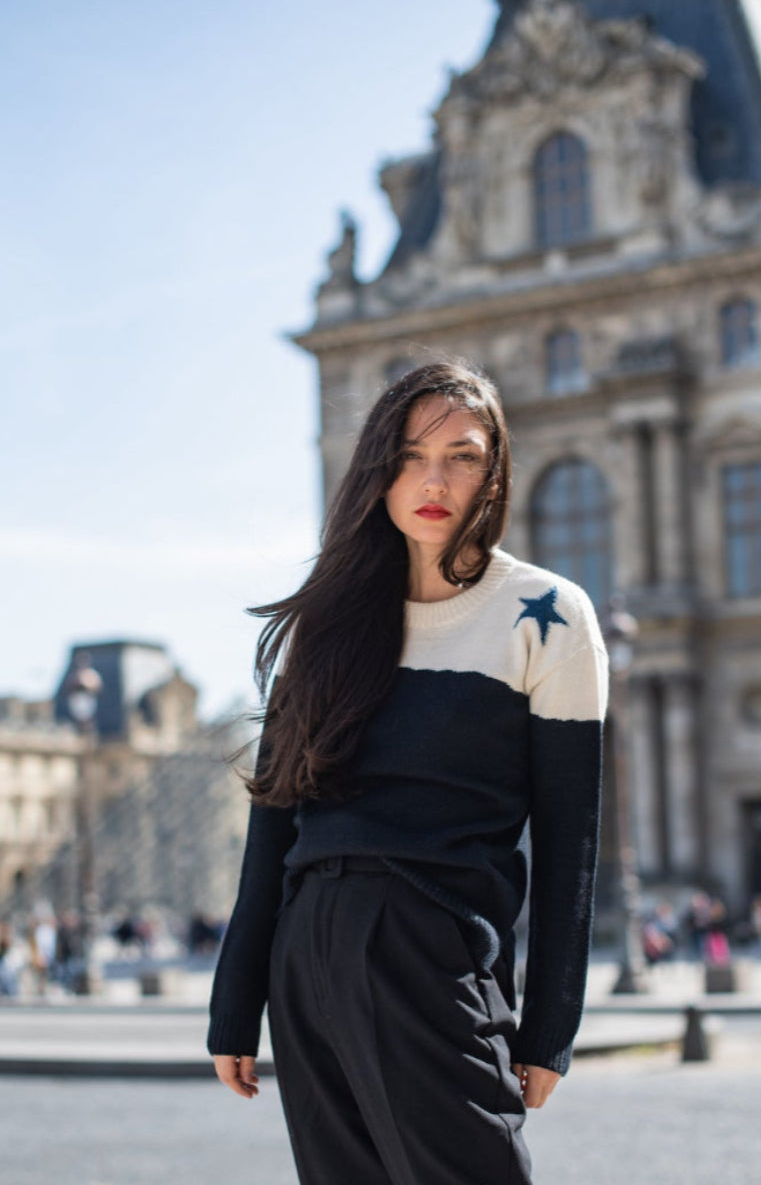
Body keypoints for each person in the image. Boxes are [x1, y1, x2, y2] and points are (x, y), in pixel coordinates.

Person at [207, 361, 608, 1185]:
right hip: (308, 944)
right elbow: (274, 825)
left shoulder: (548, 613)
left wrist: (550, 1027)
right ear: (376, 472)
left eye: (462, 456)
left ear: (494, 472)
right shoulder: (328, 621)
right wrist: (234, 1003)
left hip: (426, 939)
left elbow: (572, 843)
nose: (435, 481)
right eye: (409, 455)